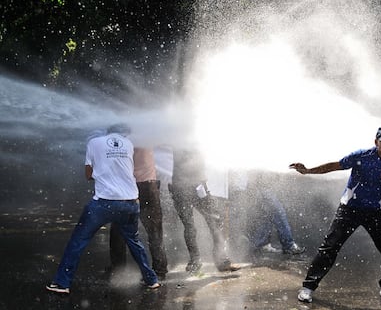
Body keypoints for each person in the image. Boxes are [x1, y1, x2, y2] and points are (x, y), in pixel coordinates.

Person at [290, 124, 381, 304]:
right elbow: (335, 166)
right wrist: (307, 171)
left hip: (376, 212)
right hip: (350, 209)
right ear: (376, 142)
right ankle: (308, 287)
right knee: (330, 248)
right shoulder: (362, 156)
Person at [46, 124, 160, 294]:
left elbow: (88, 175)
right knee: (135, 242)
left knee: (78, 241)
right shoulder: (128, 144)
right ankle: (152, 280)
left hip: (104, 202)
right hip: (130, 202)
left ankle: (62, 283)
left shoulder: (94, 143)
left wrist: (101, 173)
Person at [170, 148, 240, 273]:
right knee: (190, 226)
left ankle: (221, 261)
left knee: (215, 221)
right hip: (181, 187)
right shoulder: (179, 137)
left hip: (198, 185)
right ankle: (195, 261)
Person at [109, 147, 168, 280]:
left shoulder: (127, 136)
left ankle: (119, 269)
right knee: (153, 229)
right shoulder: (143, 132)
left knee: (120, 229)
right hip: (143, 183)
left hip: (136, 184)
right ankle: (159, 269)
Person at [230, 170, 304, 258]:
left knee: (266, 216)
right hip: (256, 187)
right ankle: (288, 245)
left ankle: (258, 244)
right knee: (278, 212)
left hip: (255, 187)